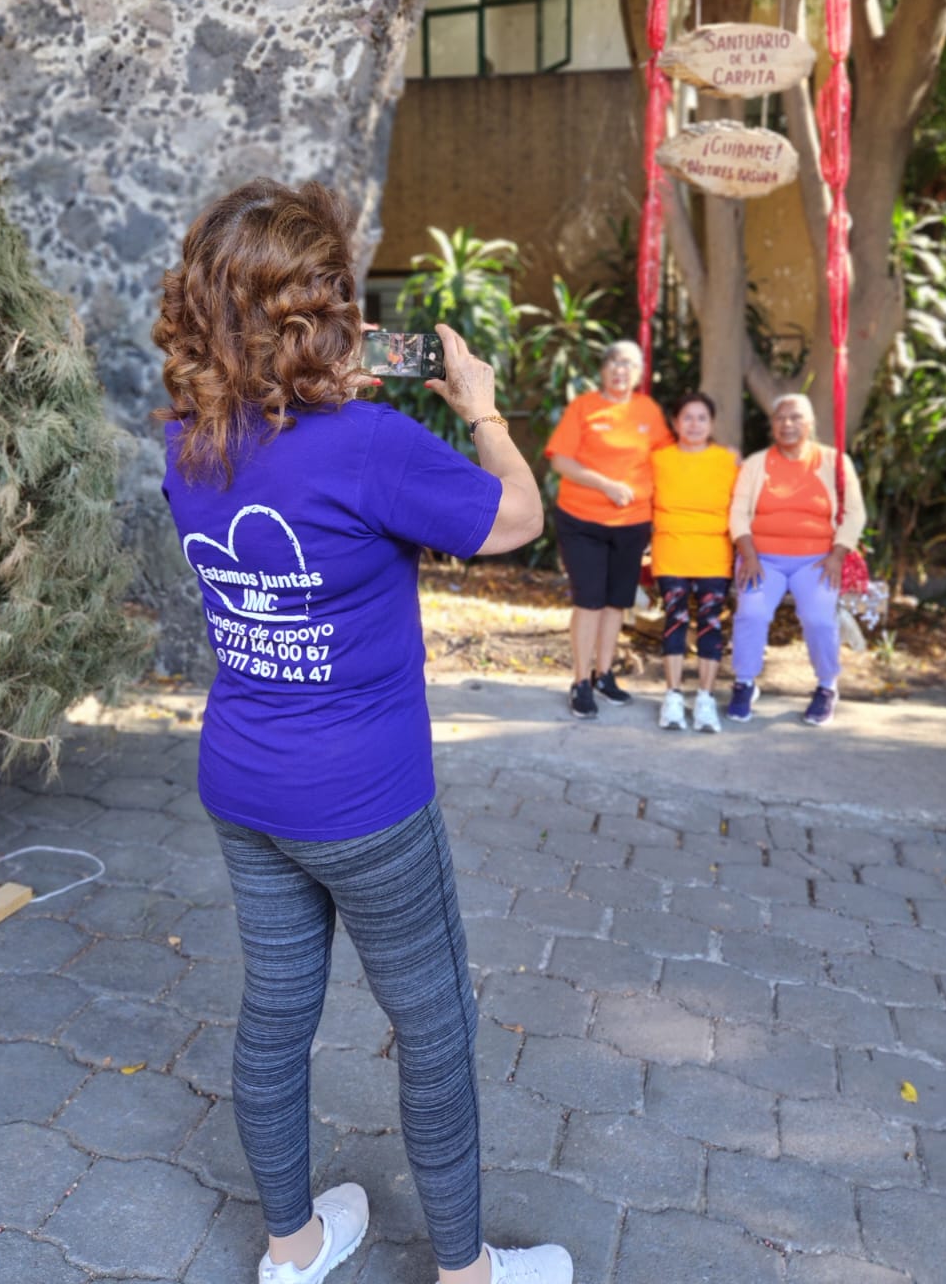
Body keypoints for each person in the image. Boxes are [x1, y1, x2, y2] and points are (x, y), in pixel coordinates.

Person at [152, 179, 572, 1284]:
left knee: (275, 1014)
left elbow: (282, 463)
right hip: (366, 801)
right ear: (325, 308)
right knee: (433, 1026)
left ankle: (292, 1248)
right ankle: (468, 1272)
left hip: (244, 785)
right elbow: (519, 519)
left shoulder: (185, 444)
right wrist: (481, 409)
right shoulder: (371, 444)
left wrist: (309, 388)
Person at [544, 340, 671, 719]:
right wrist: (607, 485)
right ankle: (581, 681)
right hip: (582, 521)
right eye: (614, 362)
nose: (620, 370)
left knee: (616, 602)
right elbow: (561, 461)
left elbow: (668, 458)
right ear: (603, 370)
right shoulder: (583, 407)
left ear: (639, 373)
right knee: (589, 601)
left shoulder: (648, 410)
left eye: (629, 364)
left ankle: (604, 673)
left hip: (632, 524)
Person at [726, 392, 866, 728]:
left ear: (810, 423)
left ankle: (827, 686)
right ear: (772, 425)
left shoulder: (835, 462)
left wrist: (837, 555)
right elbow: (738, 513)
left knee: (818, 618)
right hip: (762, 558)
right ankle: (744, 683)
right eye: (780, 418)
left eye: (796, 417)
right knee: (752, 612)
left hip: (817, 560)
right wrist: (749, 556)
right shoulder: (756, 464)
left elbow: (855, 513)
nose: (787, 424)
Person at [649, 392, 738, 733]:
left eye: (702, 418)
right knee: (675, 619)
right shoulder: (659, 459)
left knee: (710, 623)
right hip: (672, 549)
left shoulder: (728, 460)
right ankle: (672, 696)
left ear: (712, 424)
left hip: (714, 553)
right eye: (687, 417)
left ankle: (705, 698)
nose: (695, 424)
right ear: (675, 423)